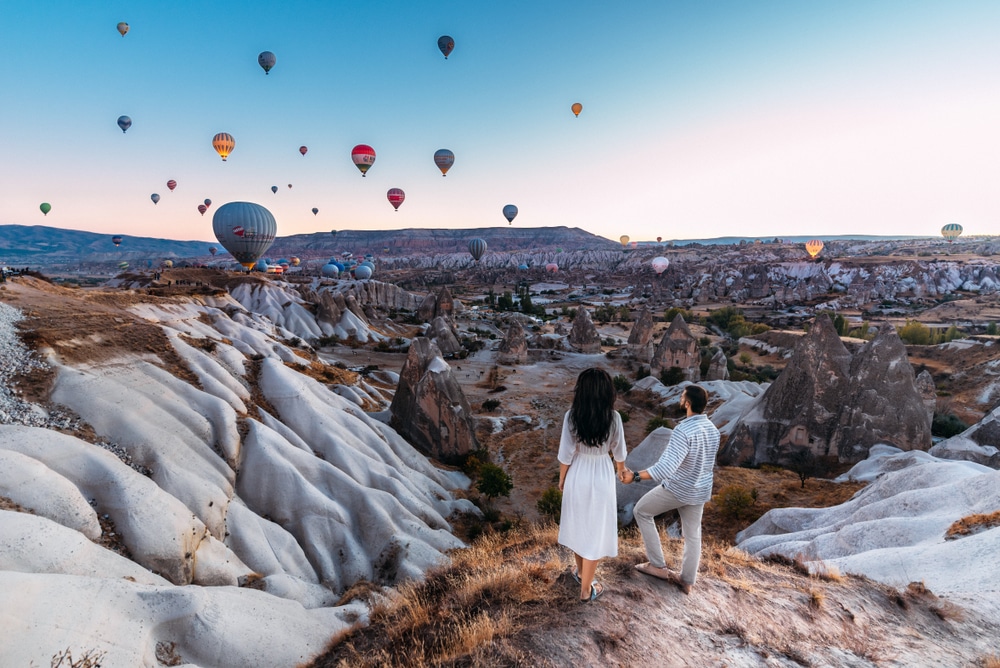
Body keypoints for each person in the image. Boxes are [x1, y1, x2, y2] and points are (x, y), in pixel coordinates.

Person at [621, 384, 719, 595]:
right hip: (699, 490)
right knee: (693, 534)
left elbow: (665, 469)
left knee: (641, 511)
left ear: (688, 403)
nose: (680, 399)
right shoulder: (713, 430)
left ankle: (657, 565)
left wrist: (635, 476)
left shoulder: (682, 431)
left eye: (682, 396)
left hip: (678, 489)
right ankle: (687, 581)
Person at [557, 368, 627, 602]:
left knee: (579, 525)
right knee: (595, 531)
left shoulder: (572, 416)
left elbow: (565, 453)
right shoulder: (614, 418)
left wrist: (562, 479)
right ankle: (586, 590)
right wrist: (620, 472)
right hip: (602, 474)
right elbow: (620, 453)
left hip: (578, 471)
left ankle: (579, 573)